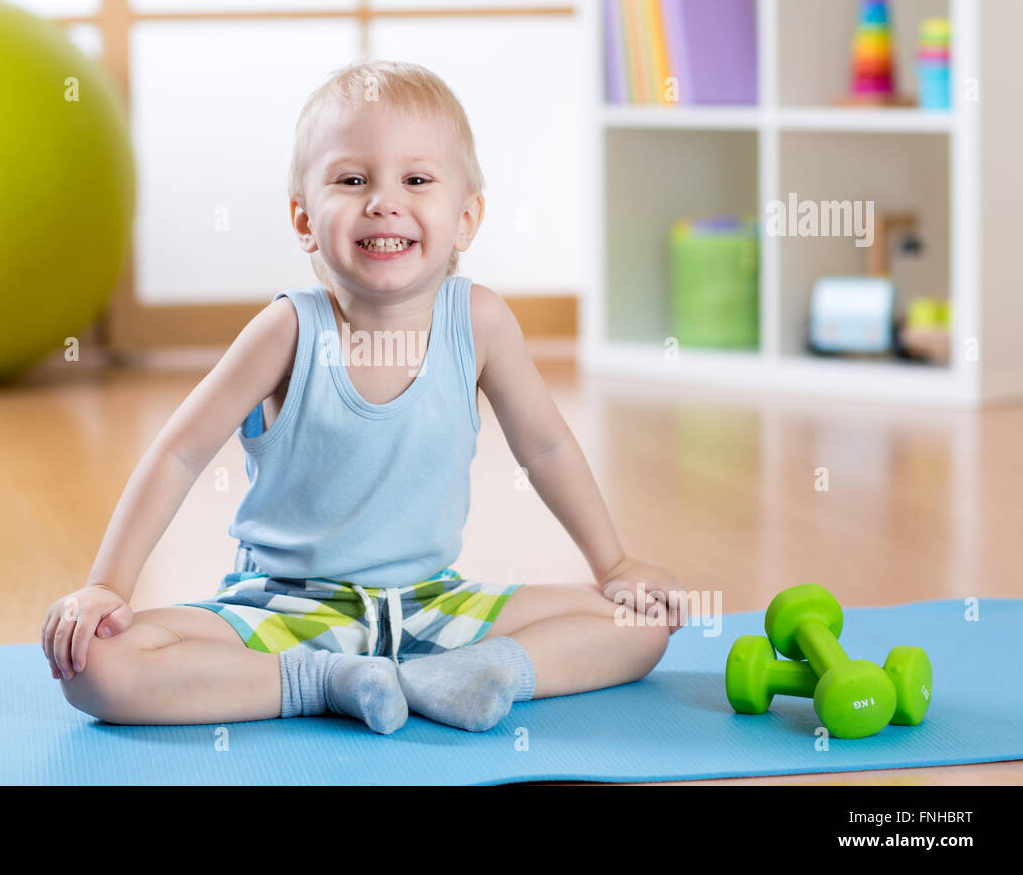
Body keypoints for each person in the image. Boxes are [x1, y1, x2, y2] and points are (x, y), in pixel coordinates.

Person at [42, 59, 683, 735]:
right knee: (97, 667)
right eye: (353, 180)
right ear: (304, 219)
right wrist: (109, 586)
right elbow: (177, 455)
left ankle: (484, 671)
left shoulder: (482, 323)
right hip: (288, 612)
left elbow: (547, 447)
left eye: (416, 180)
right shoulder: (287, 331)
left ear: (465, 219)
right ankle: (326, 682)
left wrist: (613, 565)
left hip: (435, 608)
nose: (384, 201)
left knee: (642, 624)